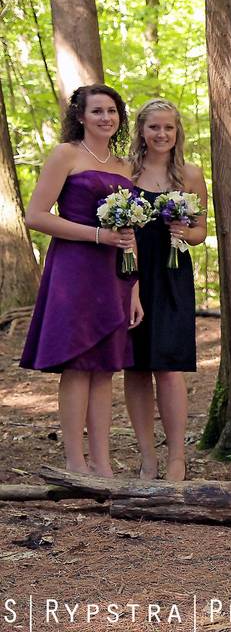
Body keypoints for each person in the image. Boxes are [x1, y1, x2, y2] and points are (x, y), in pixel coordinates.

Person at [20, 84, 144, 477]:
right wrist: (95, 235)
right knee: (77, 364)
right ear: (80, 116)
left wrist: (135, 287)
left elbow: (131, 231)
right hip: (74, 269)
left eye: (112, 111)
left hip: (115, 273)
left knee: (105, 366)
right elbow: (36, 216)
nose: (106, 118)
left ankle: (102, 462)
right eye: (97, 111)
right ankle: (75, 463)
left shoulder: (126, 166)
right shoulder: (65, 155)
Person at [123, 99, 207, 481]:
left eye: (168, 128)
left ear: (177, 133)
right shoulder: (125, 172)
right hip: (131, 274)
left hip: (173, 275)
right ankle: (147, 458)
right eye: (154, 127)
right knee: (136, 367)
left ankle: (176, 457)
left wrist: (186, 233)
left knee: (169, 367)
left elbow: (202, 232)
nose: (161, 134)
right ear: (141, 130)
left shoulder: (189, 174)